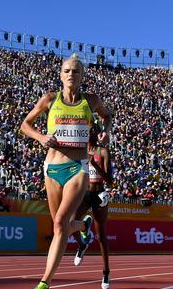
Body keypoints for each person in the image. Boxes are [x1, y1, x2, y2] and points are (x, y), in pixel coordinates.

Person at [21, 53, 111, 289]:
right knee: (59, 226)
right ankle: (83, 226)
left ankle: (44, 282)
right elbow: (24, 125)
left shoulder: (91, 101)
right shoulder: (50, 99)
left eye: (76, 71)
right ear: (61, 75)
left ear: (82, 76)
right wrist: (41, 137)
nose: (71, 74)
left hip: (77, 169)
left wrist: (105, 131)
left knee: (61, 223)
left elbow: (107, 116)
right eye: (67, 71)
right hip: (51, 168)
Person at [72, 119, 113, 289]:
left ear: (96, 133)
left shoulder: (102, 151)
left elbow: (110, 181)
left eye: (91, 131)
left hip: (99, 194)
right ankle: (82, 245)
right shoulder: (79, 151)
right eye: (85, 131)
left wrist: (94, 164)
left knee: (101, 236)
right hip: (84, 193)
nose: (88, 134)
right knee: (69, 223)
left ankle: (105, 273)